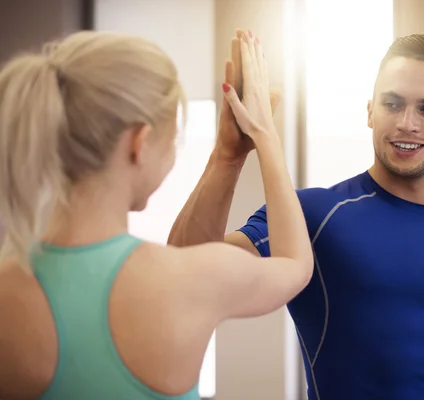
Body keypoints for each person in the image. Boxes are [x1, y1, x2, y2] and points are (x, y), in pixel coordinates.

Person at [169, 34, 424, 400]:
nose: (407, 123)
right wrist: (228, 155)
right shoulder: (310, 217)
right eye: (392, 104)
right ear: (369, 112)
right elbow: (186, 271)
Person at [0, 29, 314, 399]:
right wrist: (264, 132)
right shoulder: (183, 281)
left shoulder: (8, 287)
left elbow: (185, 252)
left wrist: (228, 156)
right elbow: (295, 264)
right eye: (173, 138)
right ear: (140, 142)